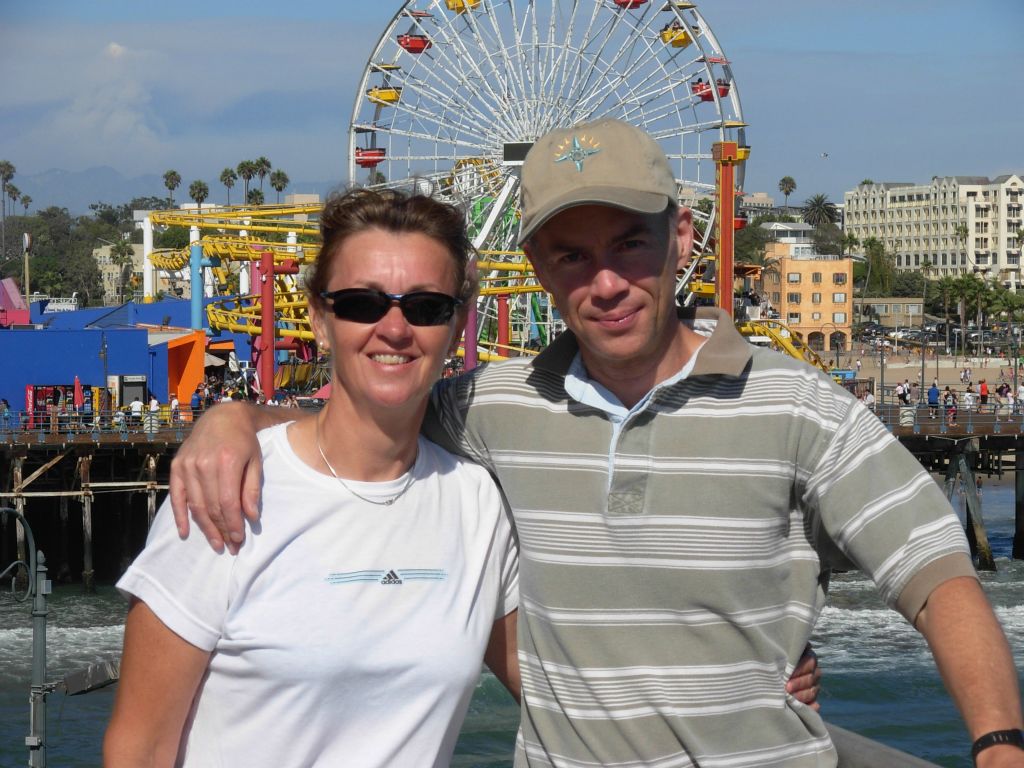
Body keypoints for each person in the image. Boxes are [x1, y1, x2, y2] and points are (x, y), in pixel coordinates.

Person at [169, 119, 1023, 766]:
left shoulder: (799, 405)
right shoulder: (490, 409)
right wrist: (233, 417)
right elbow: (362, 426)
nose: (606, 281)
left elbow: (935, 576)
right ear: (538, 267)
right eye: (572, 256)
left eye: (629, 245)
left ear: (681, 239)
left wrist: (1000, 746)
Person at [104, 189, 521, 767]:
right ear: (320, 320)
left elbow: (567, 697)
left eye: (427, 307)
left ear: (455, 327)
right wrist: (230, 416)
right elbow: (140, 748)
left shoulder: (477, 505)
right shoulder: (229, 488)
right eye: (361, 303)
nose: (395, 328)